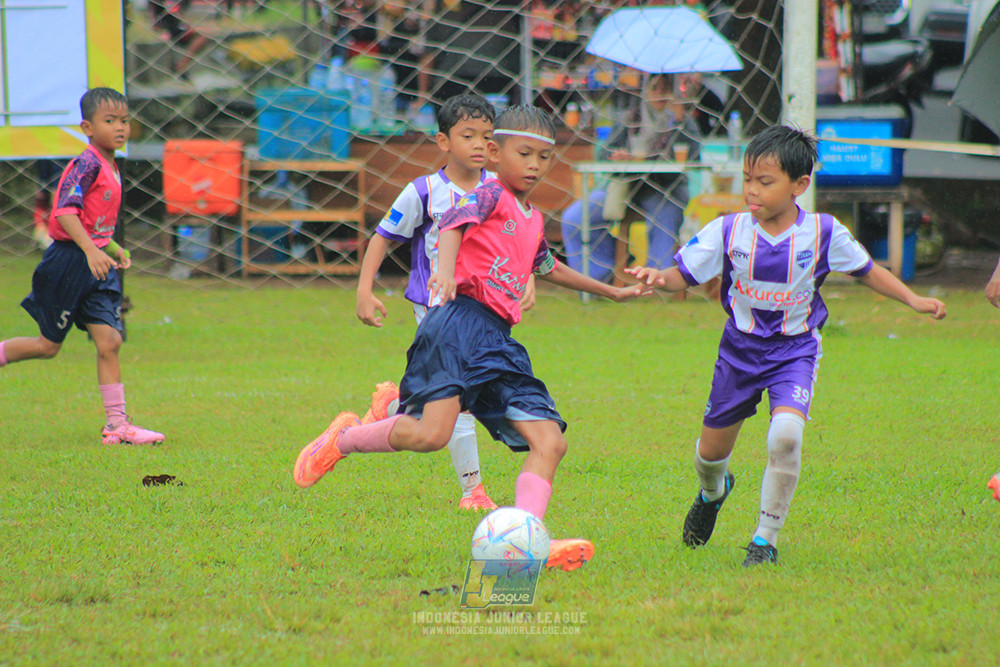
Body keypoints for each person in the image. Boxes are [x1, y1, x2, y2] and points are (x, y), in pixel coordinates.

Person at [295, 106, 652, 571]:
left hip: (498, 340)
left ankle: (526, 542)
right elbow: (452, 224)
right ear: (495, 153)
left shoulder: (532, 218)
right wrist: (445, 272)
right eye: (524, 153)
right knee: (430, 435)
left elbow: (548, 266)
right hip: (457, 326)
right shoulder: (487, 194)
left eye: (544, 157)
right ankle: (343, 440)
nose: (534, 165)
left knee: (550, 441)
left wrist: (611, 291)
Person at [628, 125, 946, 567]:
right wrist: (657, 278)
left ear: (800, 185)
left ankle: (765, 539)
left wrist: (913, 299)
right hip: (739, 351)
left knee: (785, 437)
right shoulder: (728, 230)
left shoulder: (823, 232)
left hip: (794, 352)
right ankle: (713, 492)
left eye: (765, 181)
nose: (751, 191)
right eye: (747, 179)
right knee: (710, 455)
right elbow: (682, 275)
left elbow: (867, 270)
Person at [355, 93, 503, 511]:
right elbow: (383, 236)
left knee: (451, 398)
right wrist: (365, 290)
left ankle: (393, 404)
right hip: (436, 307)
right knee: (460, 398)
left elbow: (511, 241)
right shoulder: (423, 192)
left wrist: (525, 279)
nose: (478, 144)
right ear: (443, 141)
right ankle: (473, 492)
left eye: (486, 136)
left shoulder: (498, 190)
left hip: (485, 308)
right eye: (467, 135)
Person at [0, 88, 164, 446]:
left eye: (124, 121)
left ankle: (117, 425)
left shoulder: (111, 166)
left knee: (110, 341)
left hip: (97, 264)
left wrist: (114, 248)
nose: (120, 127)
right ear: (87, 127)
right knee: (47, 347)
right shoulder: (85, 165)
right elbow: (64, 213)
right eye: (110, 121)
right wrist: (91, 250)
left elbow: (95, 222)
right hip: (68, 263)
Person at [561, 73, 702, 283]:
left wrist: (680, 121)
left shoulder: (683, 121)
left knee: (664, 216)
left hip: (666, 188)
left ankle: (657, 281)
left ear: (674, 93)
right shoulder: (631, 118)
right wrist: (619, 155)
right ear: (645, 91)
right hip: (626, 188)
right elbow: (604, 154)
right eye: (655, 88)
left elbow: (694, 158)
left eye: (666, 89)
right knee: (574, 218)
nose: (660, 94)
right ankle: (598, 276)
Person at [148, 0, 211, 77]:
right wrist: (159, 28)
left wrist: (187, 25)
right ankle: (180, 66)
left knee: (202, 35)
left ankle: (181, 65)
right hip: (167, 28)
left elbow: (179, 14)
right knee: (201, 35)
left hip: (176, 27)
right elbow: (153, 14)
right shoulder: (157, 3)